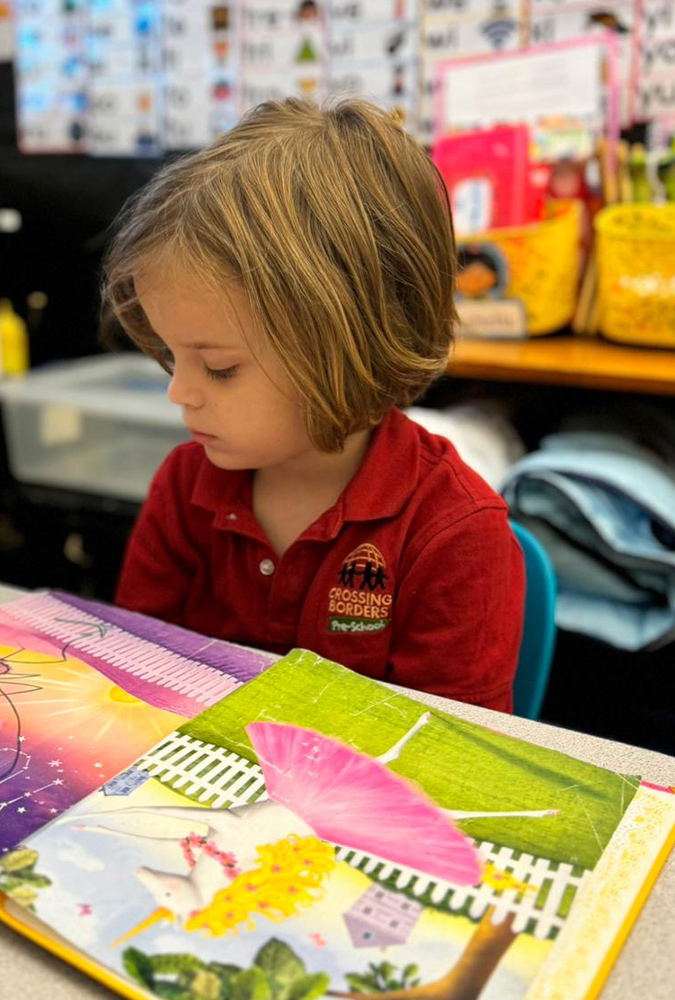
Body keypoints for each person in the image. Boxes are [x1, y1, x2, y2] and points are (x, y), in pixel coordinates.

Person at [103, 97, 524, 711]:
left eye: (219, 369)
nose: (179, 392)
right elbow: (129, 681)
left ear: (348, 345)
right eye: (172, 357)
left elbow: (456, 763)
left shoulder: (454, 537)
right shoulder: (185, 486)